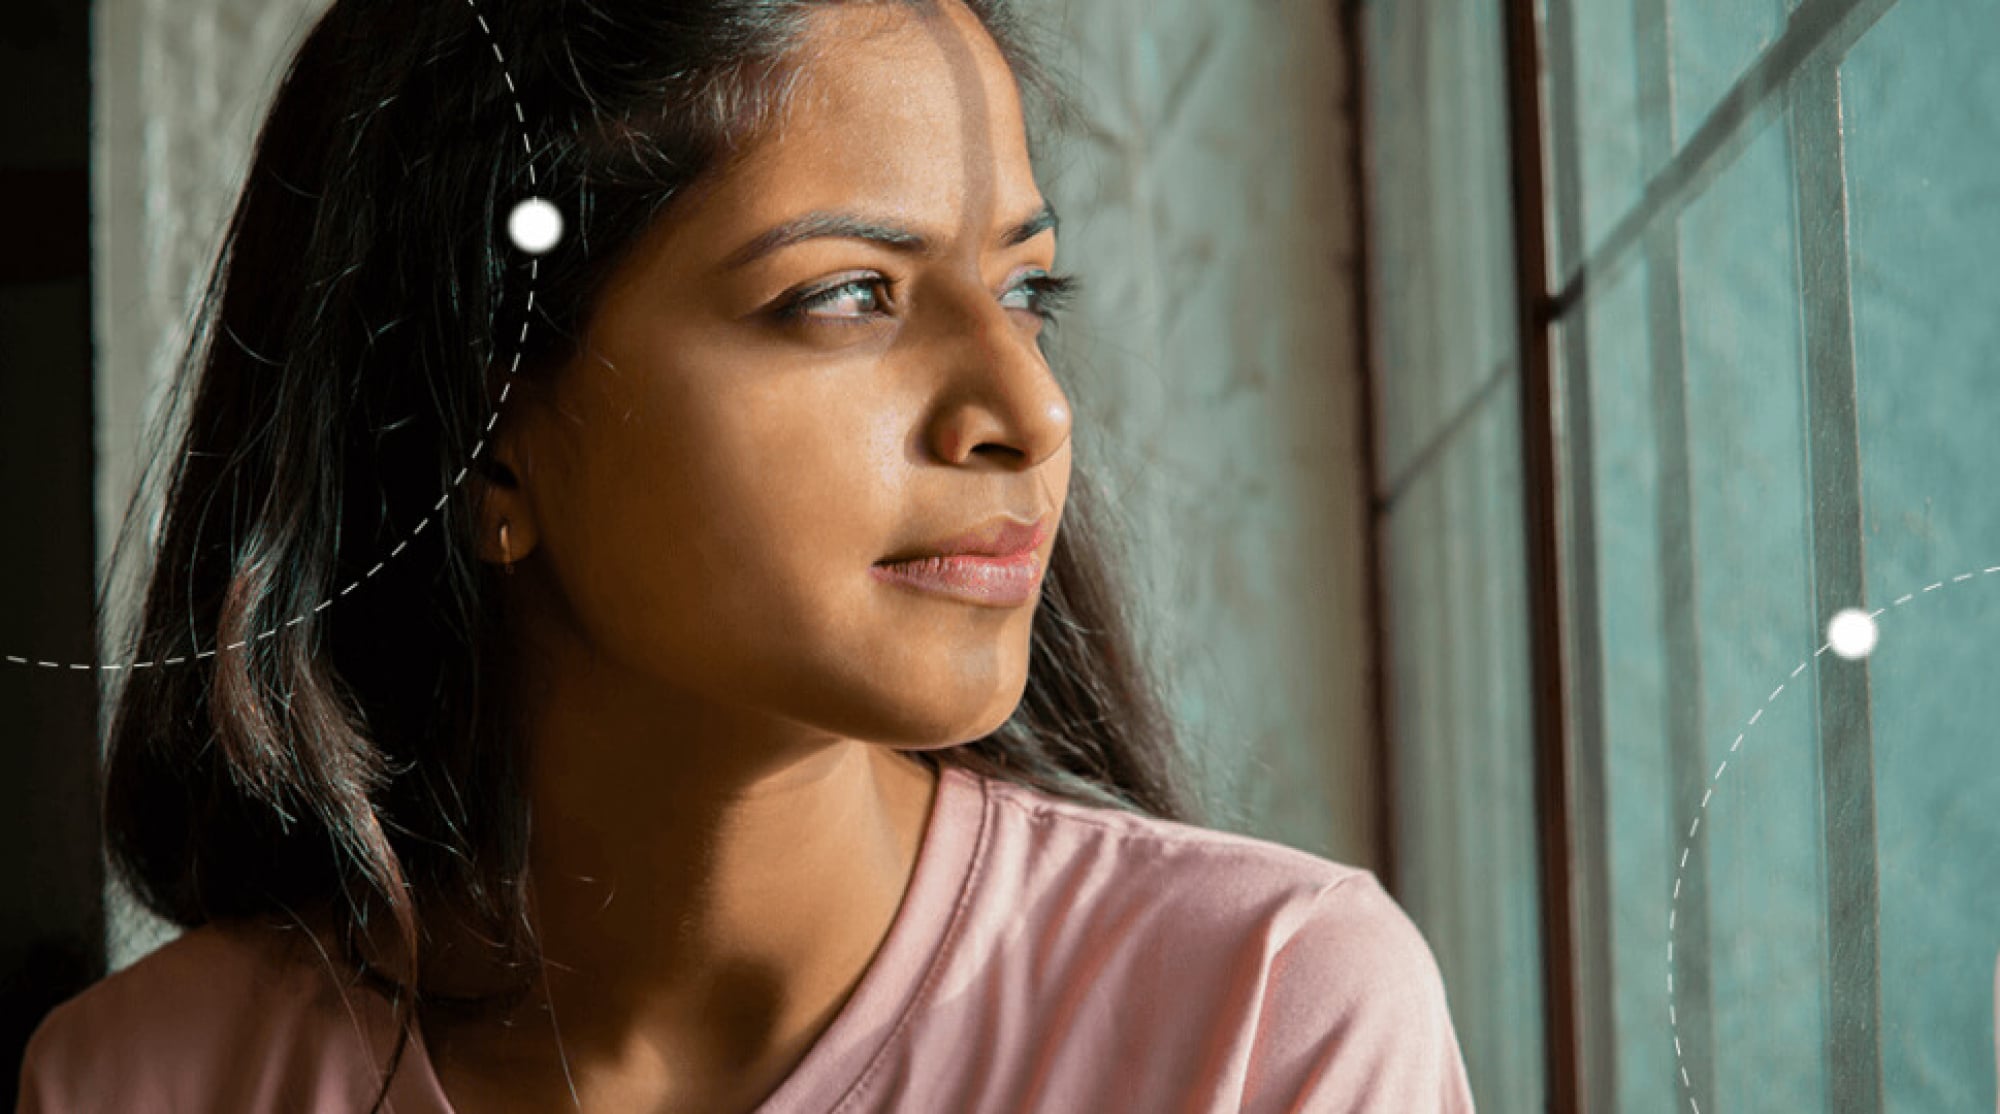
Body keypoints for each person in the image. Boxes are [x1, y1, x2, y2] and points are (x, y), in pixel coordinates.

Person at [16, 0, 1477, 1110]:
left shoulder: (1264, 1021)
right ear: (484, 434)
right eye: (847, 293)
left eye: (1027, 286)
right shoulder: (142, 1081)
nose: (1028, 410)